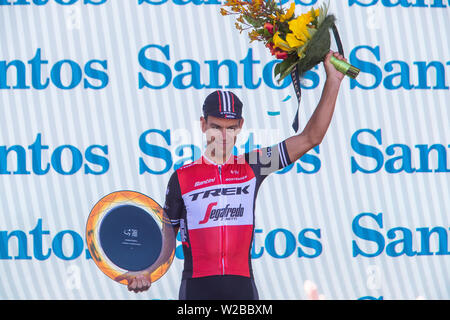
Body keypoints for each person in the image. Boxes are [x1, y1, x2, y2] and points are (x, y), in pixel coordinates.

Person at [117, 51, 347, 299]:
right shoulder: (182, 177)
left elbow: (310, 137)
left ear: (240, 126)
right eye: (216, 127)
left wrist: (333, 81)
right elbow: (168, 240)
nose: (223, 136)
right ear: (203, 124)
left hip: (242, 290)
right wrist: (147, 273)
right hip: (196, 290)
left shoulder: (254, 164)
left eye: (230, 128)